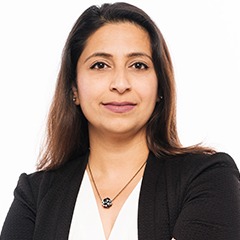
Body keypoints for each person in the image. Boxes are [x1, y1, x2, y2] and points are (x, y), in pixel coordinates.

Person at [1, 2, 239, 240]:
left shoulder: (208, 178)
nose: (121, 84)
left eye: (138, 65)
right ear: (74, 87)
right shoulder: (35, 194)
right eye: (100, 65)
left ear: (159, 87)